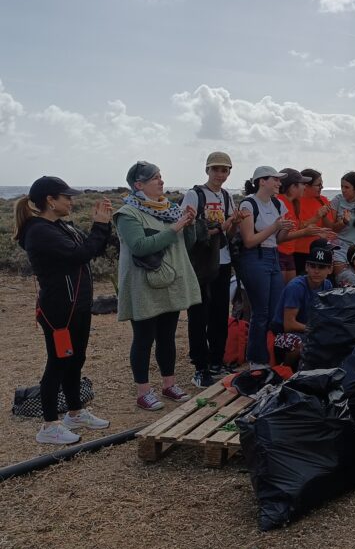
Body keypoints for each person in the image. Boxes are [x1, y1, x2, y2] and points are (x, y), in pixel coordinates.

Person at [15, 177, 113, 444]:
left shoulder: (61, 226)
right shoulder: (39, 231)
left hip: (78, 306)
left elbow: (93, 249)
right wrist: (99, 226)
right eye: (66, 197)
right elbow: (79, 254)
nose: (71, 201)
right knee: (58, 363)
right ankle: (48, 426)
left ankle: (75, 412)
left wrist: (104, 225)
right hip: (59, 310)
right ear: (50, 200)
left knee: (76, 359)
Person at [115, 161, 202, 410]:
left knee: (167, 336)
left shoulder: (170, 209)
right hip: (143, 286)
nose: (161, 181)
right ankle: (143, 391)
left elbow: (187, 244)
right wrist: (175, 228)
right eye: (155, 178)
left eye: (161, 177)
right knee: (143, 338)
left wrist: (190, 224)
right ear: (138, 185)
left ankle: (169, 384)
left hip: (170, 283)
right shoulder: (127, 214)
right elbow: (140, 247)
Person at [182, 152, 243, 388]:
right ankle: (200, 365)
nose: (220, 174)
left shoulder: (227, 196)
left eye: (224, 170)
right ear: (207, 170)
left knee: (219, 313)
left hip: (222, 260)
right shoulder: (194, 194)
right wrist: (221, 226)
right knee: (199, 314)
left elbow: (228, 235)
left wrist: (233, 224)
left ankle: (216, 360)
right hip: (200, 262)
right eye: (216, 169)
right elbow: (188, 232)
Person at [235, 166, 296, 378]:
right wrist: (275, 226)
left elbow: (277, 240)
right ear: (262, 181)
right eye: (275, 180)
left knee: (273, 310)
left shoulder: (277, 204)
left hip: (272, 256)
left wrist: (285, 228)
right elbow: (249, 241)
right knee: (260, 312)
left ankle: (269, 356)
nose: (279, 183)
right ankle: (256, 360)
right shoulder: (248, 204)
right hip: (254, 258)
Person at [272, 241, 334, 370]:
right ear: (306, 267)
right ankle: (284, 371)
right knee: (300, 344)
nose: (316, 271)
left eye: (321, 267)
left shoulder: (327, 285)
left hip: (308, 331)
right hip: (281, 335)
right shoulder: (296, 286)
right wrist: (316, 329)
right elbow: (289, 325)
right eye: (313, 266)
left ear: (330, 269)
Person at [292, 169, 336, 272]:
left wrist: (323, 216)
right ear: (306, 186)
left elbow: (330, 227)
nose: (321, 187)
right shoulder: (296, 201)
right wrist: (316, 217)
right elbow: (296, 228)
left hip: (321, 250)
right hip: (300, 251)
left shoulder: (323, 200)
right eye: (318, 185)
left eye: (322, 185)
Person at [275, 168, 310, 284]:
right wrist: (305, 232)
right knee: (280, 292)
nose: (304, 187)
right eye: (302, 184)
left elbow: (295, 228)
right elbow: (279, 237)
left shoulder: (293, 203)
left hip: (289, 253)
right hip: (278, 253)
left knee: (289, 291)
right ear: (292, 186)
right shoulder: (279, 202)